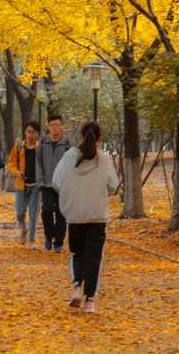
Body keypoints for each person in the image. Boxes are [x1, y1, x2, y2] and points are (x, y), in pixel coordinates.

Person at [52, 120, 117, 313]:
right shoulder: (104, 159)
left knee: (77, 254)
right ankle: (90, 301)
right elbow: (113, 186)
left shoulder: (68, 157)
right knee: (94, 258)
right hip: (97, 216)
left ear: (81, 136)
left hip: (75, 216)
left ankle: (77, 288)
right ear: (99, 138)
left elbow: (56, 182)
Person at [38, 114, 71, 251]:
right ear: (48, 127)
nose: (55, 128)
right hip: (46, 184)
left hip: (62, 185)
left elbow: (71, 164)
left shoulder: (67, 144)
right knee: (46, 211)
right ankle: (48, 236)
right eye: (52, 125)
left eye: (58, 125)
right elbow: (38, 162)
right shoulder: (42, 143)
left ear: (62, 127)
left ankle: (58, 241)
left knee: (61, 213)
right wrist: (40, 179)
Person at [8, 120, 42, 246]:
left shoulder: (40, 148)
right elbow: (11, 163)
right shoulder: (19, 147)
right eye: (28, 132)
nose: (30, 135)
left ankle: (31, 240)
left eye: (33, 132)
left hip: (36, 186)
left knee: (33, 214)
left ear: (37, 134)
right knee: (20, 213)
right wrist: (16, 172)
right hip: (21, 185)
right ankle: (23, 228)